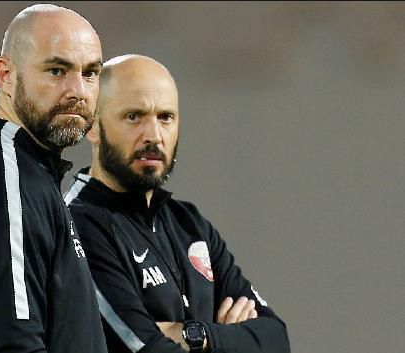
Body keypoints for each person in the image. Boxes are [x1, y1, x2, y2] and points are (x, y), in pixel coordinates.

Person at [65, 55, 290, 353]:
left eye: (165, 117)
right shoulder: (76, 226)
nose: (154, 136)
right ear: (92, 125)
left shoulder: (189, 224)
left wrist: (197, 336)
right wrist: (228, 339)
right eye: (134, 116)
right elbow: (144, 349)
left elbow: (275, 338)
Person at [0, 4, 106, 353]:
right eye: (57, 71)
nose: (78, 90)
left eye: (90, 73)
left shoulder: (30, 174)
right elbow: (17, 344)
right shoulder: (2, 175)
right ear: (5, 75)